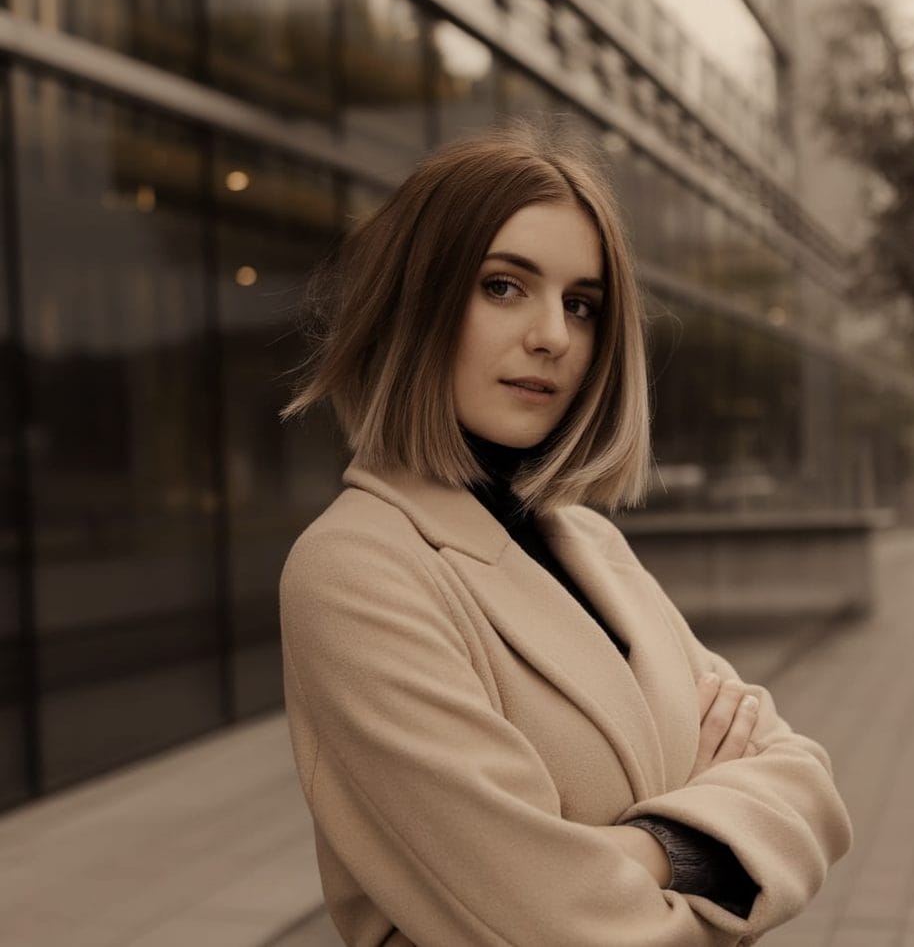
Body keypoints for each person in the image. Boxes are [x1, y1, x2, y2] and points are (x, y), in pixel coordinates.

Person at [279, 123, 852, 947]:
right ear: (416, 302)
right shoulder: (355, 570)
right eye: (503, 286)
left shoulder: (588, 542)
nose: (553, 335)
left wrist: (631, 852)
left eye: (581, 304)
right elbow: (559, 926)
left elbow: (807, 784)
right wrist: (709, 835)